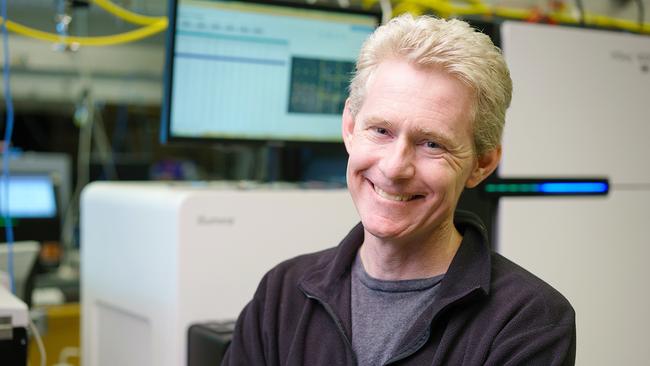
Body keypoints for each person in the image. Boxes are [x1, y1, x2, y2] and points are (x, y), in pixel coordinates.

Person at [222, 13, 575, 366]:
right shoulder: (282, 294)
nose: (394, 167)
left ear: (481, 163)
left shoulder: (529, 321)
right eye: (381, 131)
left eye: (432, 144)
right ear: (349, 126)